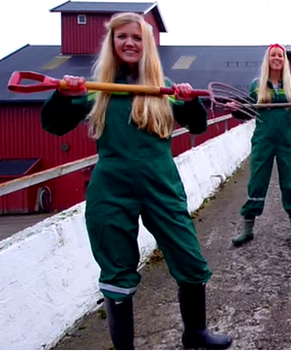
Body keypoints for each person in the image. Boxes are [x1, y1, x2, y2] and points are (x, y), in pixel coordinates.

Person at [39, 12, 232, 350]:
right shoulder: (95, 89)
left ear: (147, 45)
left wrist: (190, 102)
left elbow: (198, 125)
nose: (129, 42)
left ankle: (195, 334)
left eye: (137, 37)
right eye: (122, 37)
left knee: (189, 257)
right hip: (111, 187)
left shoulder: (164, 87)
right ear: (112, 44)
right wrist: (63, 96)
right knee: (116, 268)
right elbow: (54, 125)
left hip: (161, 183)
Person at [227, 44, 291, 247]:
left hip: (287, 140)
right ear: (268, 59)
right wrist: (236, 108)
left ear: (284, 60)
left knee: (289, 183)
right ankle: (248, 229)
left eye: (280, 55)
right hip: (263, 140)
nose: (277, 58)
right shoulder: (256, 85)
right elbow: (246, 110)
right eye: (273, 55)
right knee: (257, 182)